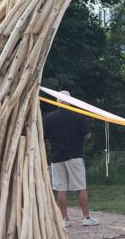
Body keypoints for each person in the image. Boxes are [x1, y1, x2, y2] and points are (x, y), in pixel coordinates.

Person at [42, 92, 99, 228]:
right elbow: (87, 135)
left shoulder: (49, 118)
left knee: (61, 188)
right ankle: (86, 217)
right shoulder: (78, 116)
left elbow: (44, 135)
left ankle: (65, 219)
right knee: (80, 186)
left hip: (56, 156)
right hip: (74, 155)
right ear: (70, 101)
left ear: (57, 101)